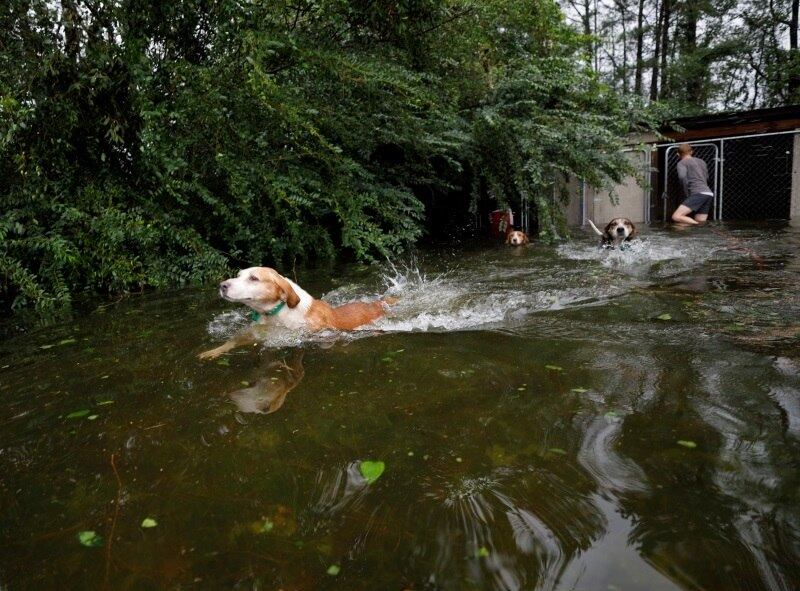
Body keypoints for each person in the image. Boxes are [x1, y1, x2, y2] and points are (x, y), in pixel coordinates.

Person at [671, 143, 713, 225]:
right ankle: (700, 230)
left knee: (676, 216)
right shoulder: (702, 161)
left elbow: (682, 177)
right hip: (708, 193)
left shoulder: (682, 163)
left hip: (698, 193)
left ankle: (700, 226)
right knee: (701, 221)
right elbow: (706, 177)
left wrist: (686, 192)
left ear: (678, 154)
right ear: (691, 152)